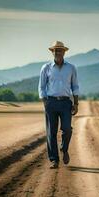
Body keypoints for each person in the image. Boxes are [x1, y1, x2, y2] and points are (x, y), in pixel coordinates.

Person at [38, 41, 80, 169]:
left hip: (66, 102)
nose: (58, 52)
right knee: (51, 132)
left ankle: (64, 148)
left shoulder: (71, 68)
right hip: (51, 102)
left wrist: (76, 103)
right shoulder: (46, 68)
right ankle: (54, 160)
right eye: (55, 50)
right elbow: (41, 86)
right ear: (52, 52)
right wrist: (45, 101)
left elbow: (75, 86)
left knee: (67, 129)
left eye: (60, 50)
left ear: (64, 52)